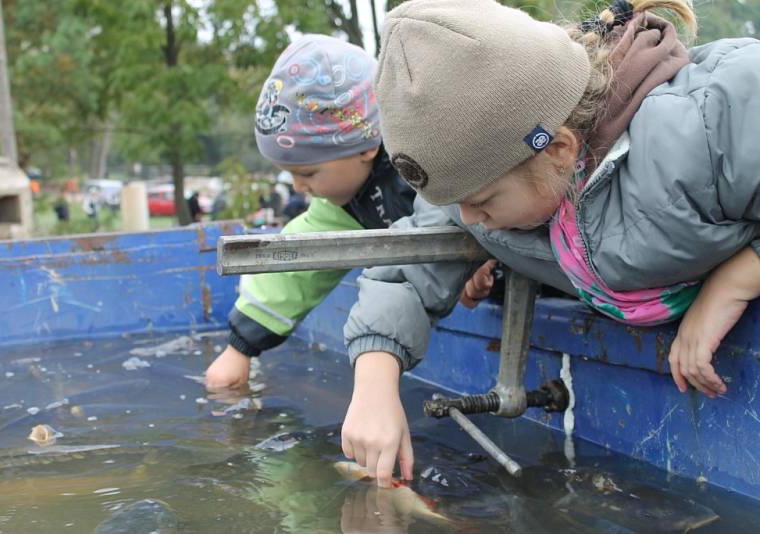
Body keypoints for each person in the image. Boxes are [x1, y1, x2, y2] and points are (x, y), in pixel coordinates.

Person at [340, 0, 760, 487]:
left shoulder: (704, 125)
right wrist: (374, 383)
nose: (472, 221)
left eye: (481, 201)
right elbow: (407, 269)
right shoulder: (478, 188)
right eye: (456, 204)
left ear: (560, 150)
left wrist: (734, 282)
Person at [204, 34, 418, 389]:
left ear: (365, 146)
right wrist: (239, 348)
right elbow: (297, 268)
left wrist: (474, 259)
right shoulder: (344, 204)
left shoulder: (423, 165)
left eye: (307, 173)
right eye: (290, 175)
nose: (299, 187)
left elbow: (466, 210)